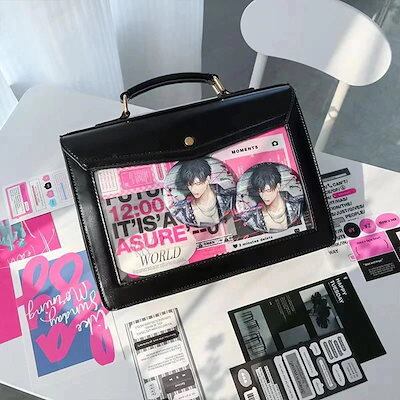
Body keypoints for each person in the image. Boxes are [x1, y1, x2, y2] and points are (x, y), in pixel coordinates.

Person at [172, 158, 235, 227]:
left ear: (207, 179)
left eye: (197, 184)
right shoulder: (182, 211)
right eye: (190, 185)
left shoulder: (229, 198)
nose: (193, 189)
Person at [241, 163, 302, 233]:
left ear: (278, 187)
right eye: (260, 191)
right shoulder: (254, 219)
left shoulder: (297, 206)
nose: (264, 196)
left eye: (268, 190)